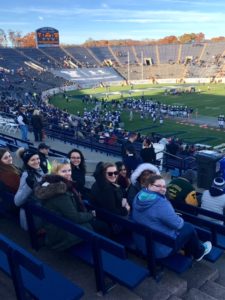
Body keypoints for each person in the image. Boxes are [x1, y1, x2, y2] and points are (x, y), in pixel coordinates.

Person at [132, 175, 212, 261]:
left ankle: (191, 250)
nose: (162, 189)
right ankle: (198, 253)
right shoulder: (161, 203)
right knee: (189, 228)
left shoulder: (139, 196)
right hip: (159, 250)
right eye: (158, 186)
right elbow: (179, 225)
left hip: (141, 243)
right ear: (149, 185)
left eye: (164, 186)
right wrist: (176, 216)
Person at [34, 158, 103, 251]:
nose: (68, 173)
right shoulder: (59, 192)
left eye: (69, 170)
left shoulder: (51, 185)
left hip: (56, 228)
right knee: (98, 226)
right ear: (55, 173)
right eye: (63, 171)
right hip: (62, 235)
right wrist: (91, 215)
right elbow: (75, 218)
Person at [14, 148, 44, 230]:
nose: (37, 161)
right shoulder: (26, 175)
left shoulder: (38, 170)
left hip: (39, 212)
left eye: (38, 159)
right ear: (27, 162)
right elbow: (17, 201)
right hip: (32, 217)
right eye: (32, 160)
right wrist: (28, 186)